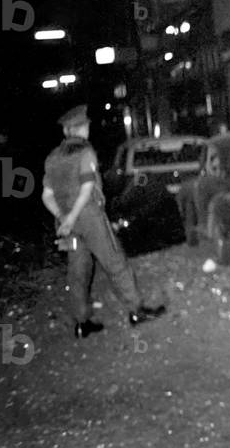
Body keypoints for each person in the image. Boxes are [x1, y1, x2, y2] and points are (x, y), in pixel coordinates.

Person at [42, 105, 166, 339]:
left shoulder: (52, 158)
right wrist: (74, 215)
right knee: (115, 262)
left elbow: (46, 196)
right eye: (86, 126)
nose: (88, 129)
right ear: (80, 129)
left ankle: (82, 323)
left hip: (69, 227)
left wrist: (64, 218)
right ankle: (136, 309)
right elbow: (88, 188)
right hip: (89, 218)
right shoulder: (85, 153)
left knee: (77, 272)